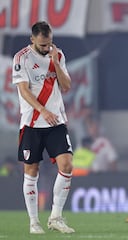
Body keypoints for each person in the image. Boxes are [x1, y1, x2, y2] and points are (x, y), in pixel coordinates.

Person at [12, 21, 75, 234]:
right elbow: (24, 91)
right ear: (32, 40)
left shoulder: (58, 55)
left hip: (56, 122)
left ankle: (56, 217)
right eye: (42, 45)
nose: (46, 48)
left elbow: (66, 86)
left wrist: (55, 62)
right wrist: (43, 110)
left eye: (48, 43)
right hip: (32, 122)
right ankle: (34, 221)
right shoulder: (22, 58)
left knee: (66, 165)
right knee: (31, 171)